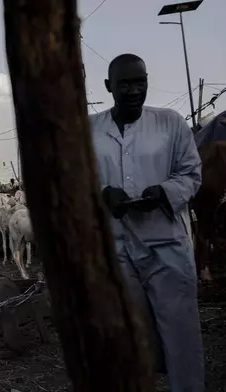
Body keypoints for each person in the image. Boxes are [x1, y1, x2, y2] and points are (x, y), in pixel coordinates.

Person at [90, 53, 204, 392]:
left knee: (181, 333)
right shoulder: (89, 129)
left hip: (166, 246)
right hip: (117, 249)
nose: (133, 90)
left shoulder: (170, 123)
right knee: (130, 334)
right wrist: (102, 194)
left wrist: (164, 192)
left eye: (140, 81)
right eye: (124, 83)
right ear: (109, 86)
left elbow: (191, 173)